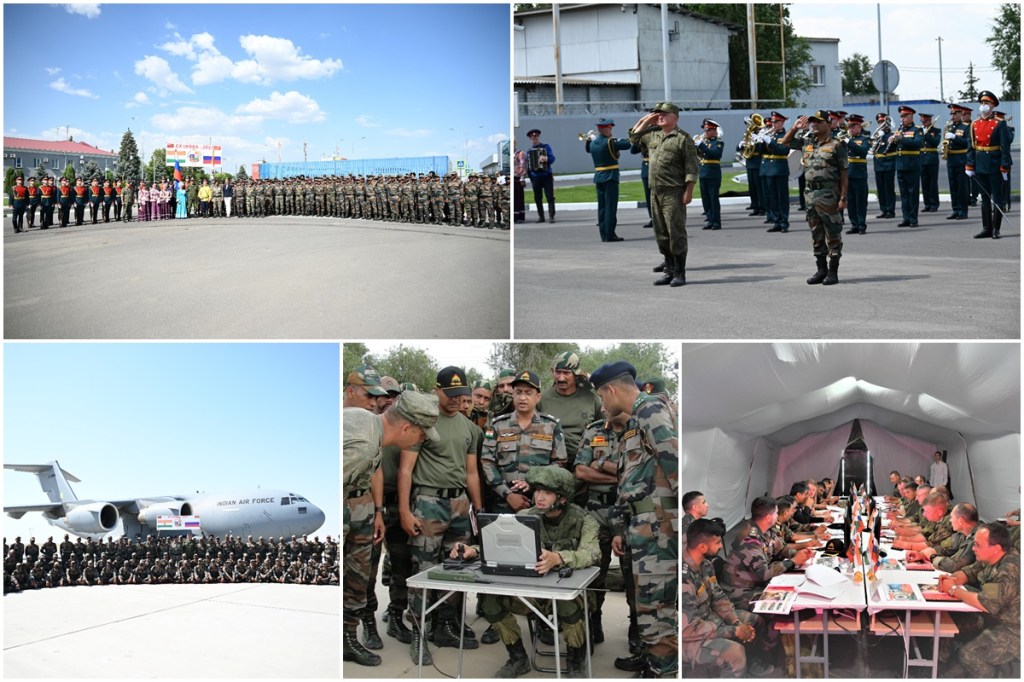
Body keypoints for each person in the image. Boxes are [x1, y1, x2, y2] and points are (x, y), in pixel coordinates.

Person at [459, 465, 598, 678]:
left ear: (562, 498)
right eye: (537, 491)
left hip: (568, 595)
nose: (539, 497)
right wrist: (473, 550)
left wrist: (559, 558)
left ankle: (576, 661)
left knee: (568, 603)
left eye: (547, 492)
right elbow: (500, 543)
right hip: (532, 595)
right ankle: (518, 658)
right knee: (490, 602)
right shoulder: (525, 516)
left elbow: (592, 553)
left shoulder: (584, 519)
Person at [592, 360, 678, 678]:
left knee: (657, 603)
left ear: (611, 389)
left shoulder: (651, 409)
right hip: (640, 525)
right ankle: (651, 655)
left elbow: (674, 459)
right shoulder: (634, 422)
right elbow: (628, 480)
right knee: (645, 601)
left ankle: (663, 669)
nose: (602, 405)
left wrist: (682, 522)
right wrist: (619, 526)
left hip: (658, 524)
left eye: (601, 396)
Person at [343, 391, 440, 667]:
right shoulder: (364, 446)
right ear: (406, 428)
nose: (422, 440)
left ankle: (347, 640)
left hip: (358, 504)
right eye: (422, 434)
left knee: (358, 577)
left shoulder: (368, 424)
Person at [400, 366, 485, 664]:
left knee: (457, 567)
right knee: (423, 569)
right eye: (450, 394)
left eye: (461, 395)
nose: (455, 400)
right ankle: (418, 633)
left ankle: (445, 626)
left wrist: (479, 509)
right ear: (436, 390)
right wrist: (404, 510)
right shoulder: (423, 422)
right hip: (428, 502)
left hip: (460, 503)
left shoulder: (469, 428)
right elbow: (406, 469)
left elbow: (471, 473)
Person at [576, 410, 642, 663]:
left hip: (631, 512)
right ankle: (594, 622)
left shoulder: (640, 430)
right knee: (594, 573)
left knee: (633, 575)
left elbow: (641, 474)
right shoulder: (594, 430)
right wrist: (622, 475)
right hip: (596, 510)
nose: (606, 406)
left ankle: (636, 628)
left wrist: (601, 465)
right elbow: (581, 472)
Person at [682, 518, 775, 677]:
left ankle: (749, 663)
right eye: (717, 543)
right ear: (702, 547)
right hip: (689, 637)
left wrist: (736, 622)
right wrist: (734, 631)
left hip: (710, 621)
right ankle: (737, 670)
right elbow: (689, 629)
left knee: (755, 621)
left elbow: (718, 597)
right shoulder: (684, 580)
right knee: (734, 653)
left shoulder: (705, 565)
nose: (721, 546)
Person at [936, 522, 1020, 678]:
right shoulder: (991, 557)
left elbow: (985, 603)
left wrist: (953, 589)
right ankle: (940, 668)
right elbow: (969, 572)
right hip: (994, 616)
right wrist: (952, 579)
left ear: (996, 548)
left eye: (977, 545)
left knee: (970, 655)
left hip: (1013, 628)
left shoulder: (1009, 569)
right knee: (948, 624)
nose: (973, 548)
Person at [628, 102, 698, 287]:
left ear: (675, 117)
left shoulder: (683, 139)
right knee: (661, 233)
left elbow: (692, 168)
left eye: (664, 114)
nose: (660, 116)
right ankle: (669, 270)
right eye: (658, 114)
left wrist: (688, 192)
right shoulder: (653, 135)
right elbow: (633, 138)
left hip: (674, 192)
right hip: (655, 192)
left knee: (676, 233)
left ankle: (680, 273)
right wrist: (647, 119)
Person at [481, 370, 567, 513]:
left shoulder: (551, 426)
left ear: (538, 397)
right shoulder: (496, 425)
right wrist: (507, 494)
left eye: (528, 393)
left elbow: (560, 463)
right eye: (518, 392)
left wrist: (533, 482)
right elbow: (487, 462)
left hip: (539, 501)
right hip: (503, 502)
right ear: (513, 395)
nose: (522, 397)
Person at [782, 111, 848, 286]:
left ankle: (833, 271)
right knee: (816, 234)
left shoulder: (837, 145)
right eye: (813, 122)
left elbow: (844, 174)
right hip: (810, 195)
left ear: (828, 124)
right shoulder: (807, 142)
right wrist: (794, 128)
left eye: (818, 122)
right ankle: (821, 270)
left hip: (829, 195)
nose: (814, 124)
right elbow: (785, 142)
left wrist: (843, 197)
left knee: (833, 234)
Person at [723, 496, 814, 608]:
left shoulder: (766, 530)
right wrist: (793, 561)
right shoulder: (749, 539)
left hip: (758, 583)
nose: (777, 515)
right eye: (776, 513)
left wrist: (798, 554)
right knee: (786, 602)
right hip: (742, 591)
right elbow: (764, 573)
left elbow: (781, 549)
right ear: (768, 517)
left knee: (796, 593)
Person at [539, 351, 602, 472]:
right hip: (550, 465)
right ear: (552, 371)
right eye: (558, 372)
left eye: (566, 373)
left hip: (585, 465)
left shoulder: (592, 399)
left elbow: (603, 428)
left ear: (576, 374)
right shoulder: (542, 399)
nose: (561, 378)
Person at [966, 90, 1013, 239]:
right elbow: (971, 146)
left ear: (992, 105)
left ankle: (996, 229)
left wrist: (1004, 166)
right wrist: (970, 165)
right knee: (984, 198)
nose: (983, 105)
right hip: (980, 164)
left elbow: (1005, 147)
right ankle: (986, 228)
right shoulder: (974, 124)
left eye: (986, 102)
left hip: (994, 164)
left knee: (997, 198)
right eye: (982, 102)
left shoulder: (999, 123)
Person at [585, 118, 632, 242]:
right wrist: (620, 139)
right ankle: (610, 234)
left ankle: (604, 234)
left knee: (602, 207)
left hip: (599, 177)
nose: (611, 131)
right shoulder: (610, 142)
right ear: (606, 129)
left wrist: (590, 138)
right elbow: (627, 145)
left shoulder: (593, 143)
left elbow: (588, 149)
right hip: (610, 176)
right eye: (610, 129)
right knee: (610, 207)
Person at [889, 105, 924, 227]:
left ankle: (913, 219)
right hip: (900, 166)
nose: (902, 119)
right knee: (904, 194)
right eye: (901, 116)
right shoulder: (900, 130)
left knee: (912, 194)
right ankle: (906, 218)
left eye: (904, 116)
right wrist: (891, 142)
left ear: (911, 116)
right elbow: (896, 148)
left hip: (912, 166)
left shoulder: (917, 130)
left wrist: (901, 138)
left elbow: (918, 143)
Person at [760, 112, 791, 233]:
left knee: (782, 198)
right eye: (772, 122)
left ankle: (784, 222)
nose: (773, 124)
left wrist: (770, 142)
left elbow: (783, 151)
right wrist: (760, 141)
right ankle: (776, 221)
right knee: (772, 197)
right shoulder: (771, 135)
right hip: (769, 170)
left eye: (776, 122)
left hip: (780, 169)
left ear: (782, 122)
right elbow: (761, 152)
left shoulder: (786, 135)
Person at [844, 114, 870, 234]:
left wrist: (849, 142)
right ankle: (854, 224)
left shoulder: (865, 139)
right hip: (848, 175)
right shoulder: (846, 140)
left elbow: (862, 151)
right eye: (849, 127)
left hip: (859, 175)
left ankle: (861, 225)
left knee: (860, 202)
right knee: (851, 202)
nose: (850, 129)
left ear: (859, 126)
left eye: (853, 126)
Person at [697, 119, 725, 231]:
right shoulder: (704, 142)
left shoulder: (718, 143)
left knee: (713, 198)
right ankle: (710, 220)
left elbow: (714, 154)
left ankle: (716, 222)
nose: (706, 132)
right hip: (703, 172)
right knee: (705, 199)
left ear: (714, 131)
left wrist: (701, 146)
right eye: (705, 130)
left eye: (708, 130)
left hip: (713, 173)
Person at [945, 104, 972, 220]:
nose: (952, 116)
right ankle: (955, 209)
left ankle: (963, 211)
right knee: (953, 186)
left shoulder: (966, 127)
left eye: (955, 113)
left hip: (961, 159)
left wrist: (954, 137)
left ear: (961, 114)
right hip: (951, 160)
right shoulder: (949, 127)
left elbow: (968, 143)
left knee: (962, 187)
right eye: (951, 113)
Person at [525, 129, 556, 223]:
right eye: (533, 138)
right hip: (536, 177)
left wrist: (546, 158)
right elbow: (528, 165)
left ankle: (551, 216)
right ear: (530, 139)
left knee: (550, 196)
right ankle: (541, 216)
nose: (535, 140)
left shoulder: (546, 147)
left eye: (536, 138)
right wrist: (531, 176)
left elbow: (552, 158)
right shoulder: (529, 151)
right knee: (537, 198)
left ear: (538, 137)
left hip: (546, 175)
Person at [873, 112, 897, 220]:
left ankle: (890, 210)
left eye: (883, 122)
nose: (881, 124)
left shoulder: (891, 135)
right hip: (878, 164)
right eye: (879, 122)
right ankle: (883, 209)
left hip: (888, 163)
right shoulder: (877, 135)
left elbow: (893, 146)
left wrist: (888, 138)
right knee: (880, 189)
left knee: (888, 188)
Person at [919, 112, 942, 212]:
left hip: (932, 159)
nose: (924, 123)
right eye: (923, 121)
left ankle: (934, 204)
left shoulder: (936, 130)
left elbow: (935, 142)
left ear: (930, 120)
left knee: (932, 183)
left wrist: (927, 134)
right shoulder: (918, 130)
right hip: (921, 159)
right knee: (924, 183)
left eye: (926, 121)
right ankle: (927, 204)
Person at [513, 140, 527, 223]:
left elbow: (523, 166)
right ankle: (514, 217)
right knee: (514, 199)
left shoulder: (520, 153)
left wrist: (522, 178)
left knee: (518, 199)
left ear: (515, 144)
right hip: (511, 178)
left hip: (517, 178)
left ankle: (518, 217)